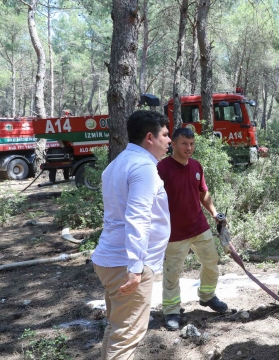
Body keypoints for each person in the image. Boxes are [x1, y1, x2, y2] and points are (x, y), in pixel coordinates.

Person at [91, 110, 171, 360]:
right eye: (166, 135)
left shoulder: (116, 164)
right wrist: (136, 268)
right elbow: (137, 218)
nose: (169, 140)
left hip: (111, 259)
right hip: (128, 264)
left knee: (118, 329)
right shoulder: (143, 168)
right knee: (127, 335)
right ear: (150, 137)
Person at [157, 127, 228, 330]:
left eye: (192, 144)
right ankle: (171, 311)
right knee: (172, 273)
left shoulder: (196, 166)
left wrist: (214, 213)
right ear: (174, 144)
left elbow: (202, 193)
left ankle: (207, 296)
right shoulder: (162, 168)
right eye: (184, 144)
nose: (189, 148)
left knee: (211, 262)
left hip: (199, 226)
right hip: (174, 233)